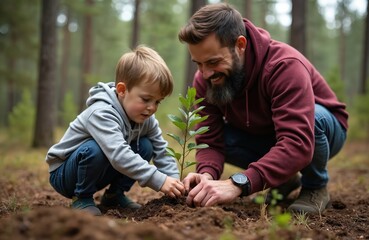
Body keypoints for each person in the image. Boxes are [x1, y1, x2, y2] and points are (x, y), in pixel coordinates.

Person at [179, 3, 348, 214]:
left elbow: (297, 141)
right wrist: (206, 175)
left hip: (320, 132)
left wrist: (238, 184)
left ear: (240, 45)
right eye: (198, 64)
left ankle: (315, 186)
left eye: (213, 62)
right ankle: (284, 177)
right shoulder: (204, 79)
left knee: (313, 120)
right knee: (224, 137)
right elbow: (210, 140)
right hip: (266, 135)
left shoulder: (284, 65)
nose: (205, 74)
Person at [46, 45, 185, 216]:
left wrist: (175, 183)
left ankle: (114, 195)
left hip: (98, 170)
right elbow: (119, 155)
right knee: (94, 148)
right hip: (65, 174)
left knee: (146, 145)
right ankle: (81, 197)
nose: (151, 108)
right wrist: (160, 180)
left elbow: (161, 151)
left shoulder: (147, 120)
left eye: (158, 102)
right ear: (122, 90)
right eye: (146, 99)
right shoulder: (101, 113)